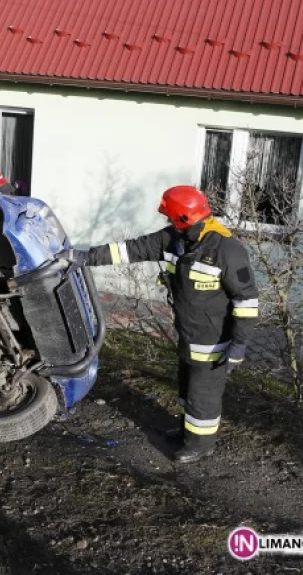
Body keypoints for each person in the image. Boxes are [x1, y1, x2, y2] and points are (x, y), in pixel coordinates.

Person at [78, 186, 259, 463]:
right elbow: (130, 250)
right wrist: (85, 257)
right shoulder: (176, 239)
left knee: (203, 393)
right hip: (188, 334)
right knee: (188, 388)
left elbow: (246, 301)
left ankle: (201, 444)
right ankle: (188, 433)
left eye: (169, 217)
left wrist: (239, 345)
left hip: (214, 340)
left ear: (181, 218)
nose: (166, 222)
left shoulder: (226, 249)